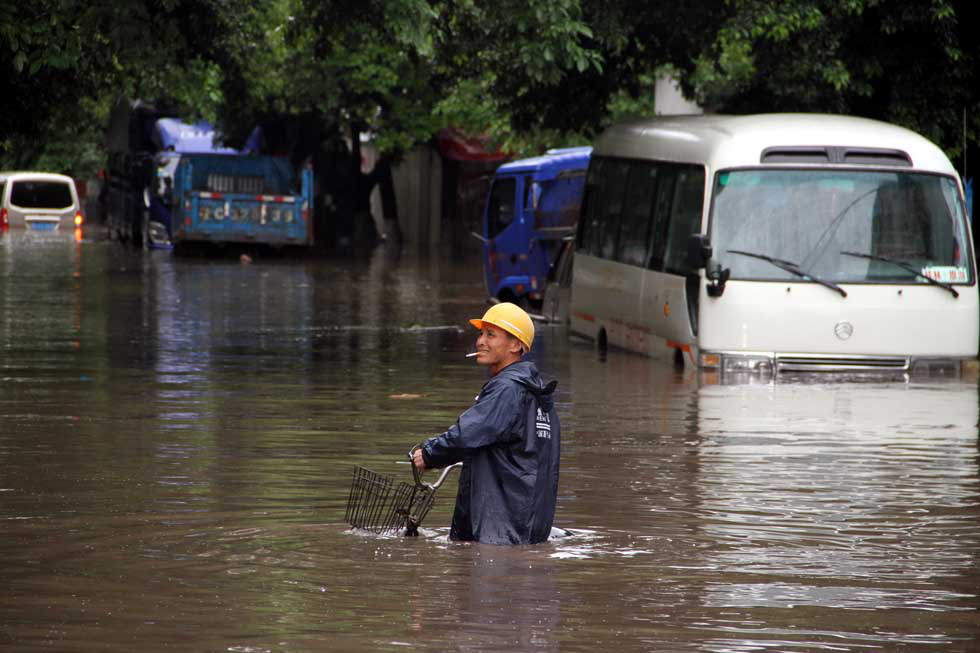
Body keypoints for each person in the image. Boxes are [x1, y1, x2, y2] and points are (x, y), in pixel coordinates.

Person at [411, 302, 560, 545]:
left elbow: (468, 433)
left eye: (491, 334)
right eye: (481, 333)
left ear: (515, 345)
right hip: (528, 526)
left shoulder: (507, 389)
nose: (480, 341)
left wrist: (429, 453)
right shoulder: (538, 394)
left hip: (498, 529)